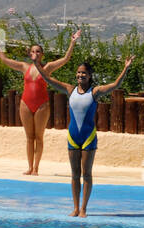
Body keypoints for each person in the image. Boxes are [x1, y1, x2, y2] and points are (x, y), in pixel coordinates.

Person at [45, 57, 133, 217]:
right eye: (78, 72)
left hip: (88, 137)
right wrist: (37, 63)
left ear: (90, 75)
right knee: (74, 174)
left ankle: (84, 208)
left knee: (86, 173)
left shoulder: (95, 92)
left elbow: (115, 85)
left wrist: (125, 68)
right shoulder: (69, 89)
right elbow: (48, 79)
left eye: (84, 73)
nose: (80, 75)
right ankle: (75, 207)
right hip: (72, 136)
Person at [0, 29, 81, 175]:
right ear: (29, 54)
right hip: (25, 103)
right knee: (29, 137)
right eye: (33, 51)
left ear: (42, 54)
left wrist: (72, 42)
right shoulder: (24, 67)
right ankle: (30, 167)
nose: (36, 53)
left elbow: (65, 59)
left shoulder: (47, 67)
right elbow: (5, 60)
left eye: (38, 51)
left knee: (39, 137)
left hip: (42, 105)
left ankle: (36, 168)